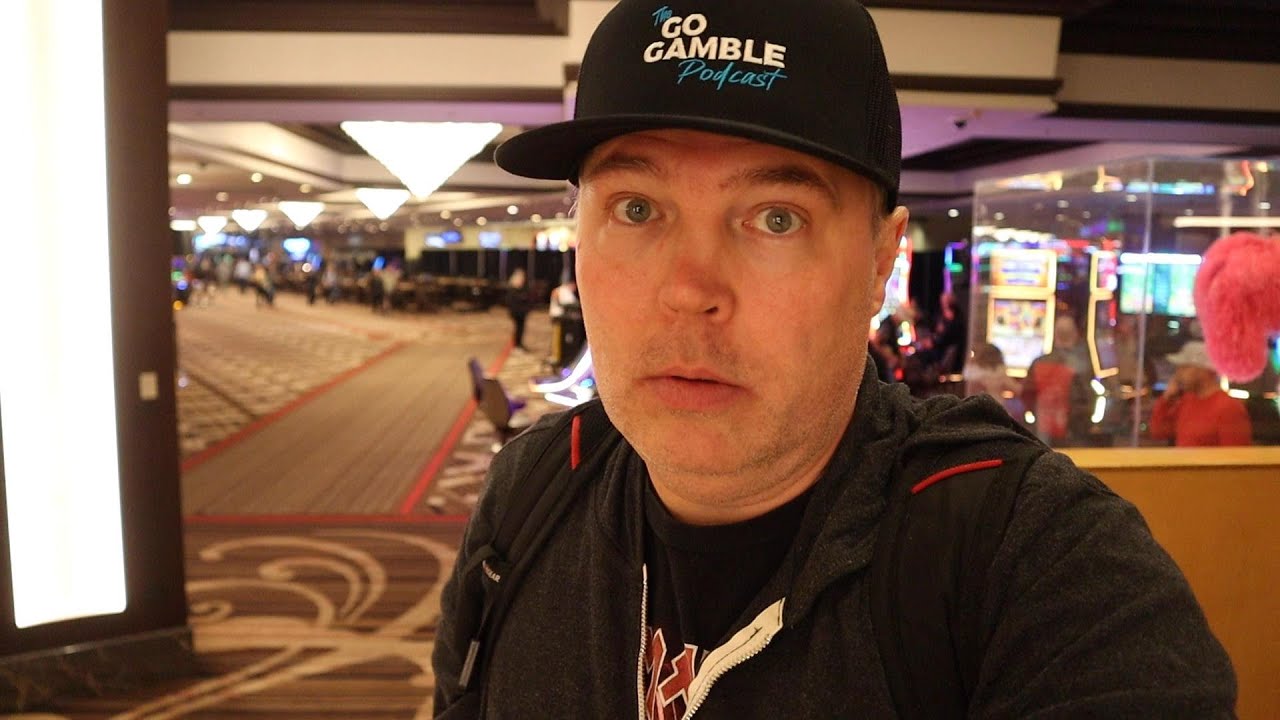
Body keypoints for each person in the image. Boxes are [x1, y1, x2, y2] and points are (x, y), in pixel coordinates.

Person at [433, 1, 1235, 717]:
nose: (689, 291)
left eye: (776, 218)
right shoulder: (533, 492)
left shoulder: (1037, 565)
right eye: (637, 209)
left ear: (882, 261)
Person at [1149, 340, 1252, 447]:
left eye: (1185, 367)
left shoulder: (1229, 407)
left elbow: (1236, 453)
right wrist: (1166, 400)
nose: (1178, 374)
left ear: (1204, 371)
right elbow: (1158, 431)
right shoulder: (1187, 401)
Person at [1020, 314, 1093, 446]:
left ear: (1055, 335)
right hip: (1071, 432)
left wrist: (1036, 414)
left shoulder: (1039, 362)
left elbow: (1026, 394)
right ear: (1075, 335)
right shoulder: (1081, 366)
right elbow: (1087, 399)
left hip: (1043, 427)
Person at [505, 267, 532, 351]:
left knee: (521, 329)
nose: (522, 280)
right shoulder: (513, 289)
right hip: (516, 313)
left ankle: (519, 344)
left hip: (522, 313)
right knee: (518, 329)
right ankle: (517, 345)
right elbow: (511, 302)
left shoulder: (522, 288)